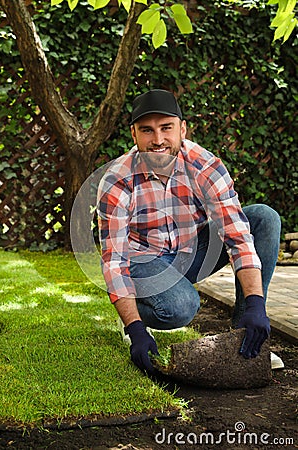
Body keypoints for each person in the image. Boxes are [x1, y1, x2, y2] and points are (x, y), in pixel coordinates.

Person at [97, 89, 281, 375]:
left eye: (166, 128)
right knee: (181, 308)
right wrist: (135, 330)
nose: (157, 140)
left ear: (182, 129)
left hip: (190, 251)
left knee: (263, 219)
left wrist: (256, 303)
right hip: (143, 261)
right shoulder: (117, 180)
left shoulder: (205, 166)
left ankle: (245, 336)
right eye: (147, 131)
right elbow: (114, 261)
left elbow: (237, 235)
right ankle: (132, 314)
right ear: (134, 135)